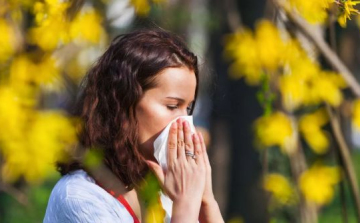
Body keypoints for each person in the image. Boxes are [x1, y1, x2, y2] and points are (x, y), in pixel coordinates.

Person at [43, 29, 224, 223]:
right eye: (172, 106)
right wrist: (186, 206)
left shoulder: (165, 191)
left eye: (187, 109)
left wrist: (206, 202)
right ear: (123, 103)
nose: (185, 124)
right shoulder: (79, 198)